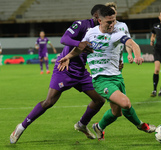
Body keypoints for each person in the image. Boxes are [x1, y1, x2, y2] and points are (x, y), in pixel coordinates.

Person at [10, 4, 105, 144]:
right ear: (97, 17)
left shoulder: (101, 31)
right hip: (64, 68)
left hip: (81, 72)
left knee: (99, 100)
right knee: (49, 102)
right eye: (106, 18)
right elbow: (64, 39)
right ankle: (21, 127)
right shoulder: (81, 25)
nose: (110, 22)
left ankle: (82, 124)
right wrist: (80, 43)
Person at [58, 6, 156, 140]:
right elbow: (80, 48)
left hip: (117, 77)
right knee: (126, 103)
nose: (112, 25)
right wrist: (68, 57)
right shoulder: (91, 33)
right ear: (100, 21)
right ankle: (141, 125)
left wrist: (138, 55)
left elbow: (133, 44)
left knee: (117, 112)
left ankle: (99, 127)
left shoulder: (117, 34)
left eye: (114, 21)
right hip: (101, 79)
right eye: (109, 22)